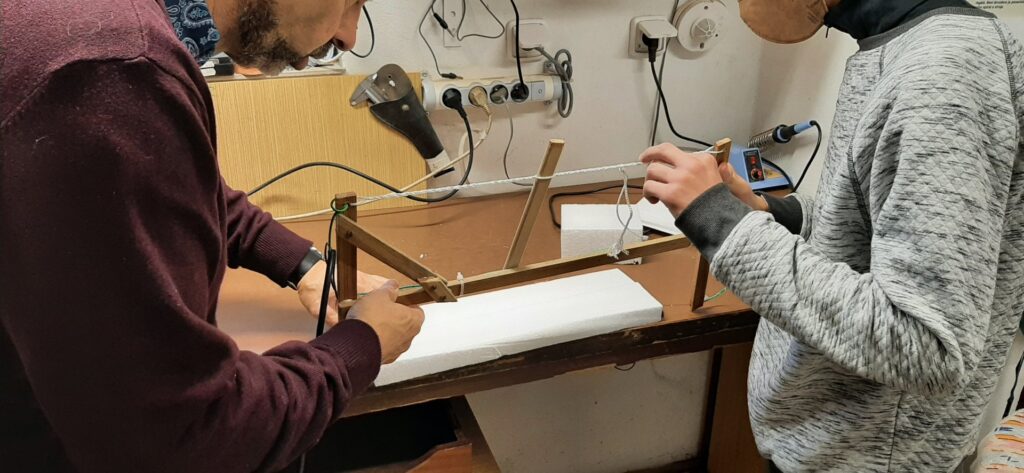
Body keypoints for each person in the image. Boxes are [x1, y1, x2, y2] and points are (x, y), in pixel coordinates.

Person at [0, 0, 425, 471]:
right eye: (351, 2)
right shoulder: (112, 68)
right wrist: (358, 347)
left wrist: (304, 266)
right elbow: (183, 437)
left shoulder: (95, 27)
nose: (349, 36)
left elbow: (172, 187)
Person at [642, 0, 1024, 471]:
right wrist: (770, 212)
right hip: (828, 436)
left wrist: (721, 221)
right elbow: (871, 223)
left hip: (865, 456)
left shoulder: (945, 73)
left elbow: (926, 344)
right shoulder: (898, 43)